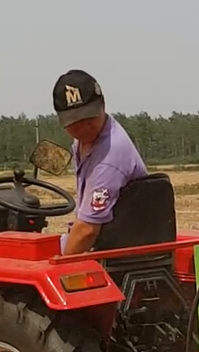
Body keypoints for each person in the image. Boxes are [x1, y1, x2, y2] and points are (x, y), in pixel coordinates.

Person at [51, 69, 148, 254]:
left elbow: (87, 230)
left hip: (109, 247)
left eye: (89, 117)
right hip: (104, 240)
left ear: (102, 104)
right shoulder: (87, 142)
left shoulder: (108, 157)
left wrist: (58, 265)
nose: (84, 127)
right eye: (75, 121)